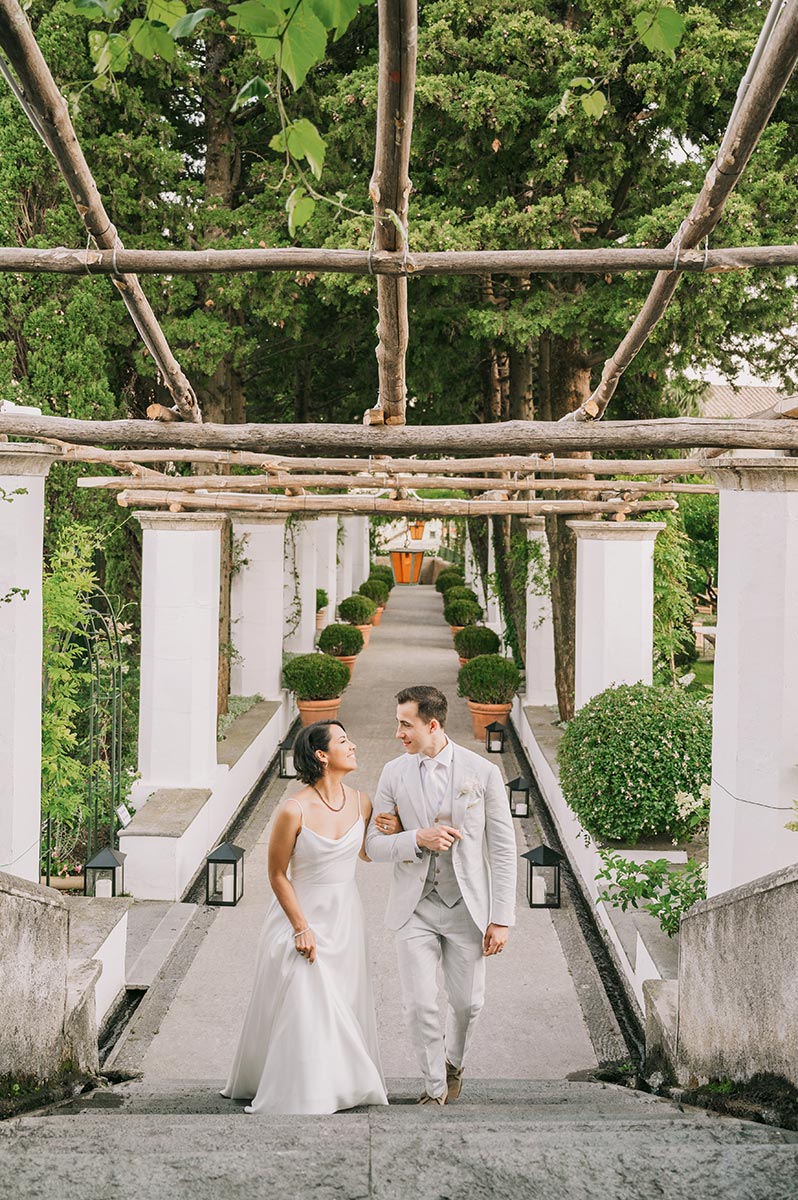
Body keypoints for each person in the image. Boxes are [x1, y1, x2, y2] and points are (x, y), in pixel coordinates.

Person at [221, 720, 398, 1114]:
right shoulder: (293, 809)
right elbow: (276, 873)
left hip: (346, 918)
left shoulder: (361, 802)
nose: (352, 746)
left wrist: (394, 829)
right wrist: (301, 927)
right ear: (322, 755)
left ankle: (340, 1084)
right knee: (305, 997)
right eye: (343, 741)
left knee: (341, 1002)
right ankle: (302, 1091)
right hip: (300, 916)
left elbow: (366, 854)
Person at [365, 685, 517, 1105]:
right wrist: (417, 837)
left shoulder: (482, 772)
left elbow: (503, 849)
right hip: (414, 907)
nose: (398, 733)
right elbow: (374, 845)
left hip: (467, 908)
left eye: (405, 724)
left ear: (432, 725)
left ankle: (454, 1063)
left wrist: (501, 917)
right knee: (418, 1006)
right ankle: (434, 1088)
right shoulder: (393, 772)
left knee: (468, 1004)